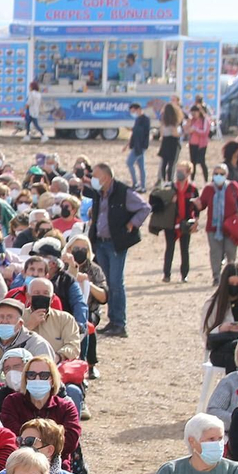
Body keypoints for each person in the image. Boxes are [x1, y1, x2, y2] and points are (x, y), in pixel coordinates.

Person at [82, 162, 150, 337]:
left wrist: (131, 224)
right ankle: (112, 321)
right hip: (100, 242)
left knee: (116, 283)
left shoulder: (123, 191)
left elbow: (144, 208)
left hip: (115, 243)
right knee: (107, 283)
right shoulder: (99, 193)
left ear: (105, 177)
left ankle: (119, 323)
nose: (93, 179)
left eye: (95, 176)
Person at [198, 163, 238, 284]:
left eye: (221, 174)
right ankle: (216, 277)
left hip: (230, 226)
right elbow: (202, 205)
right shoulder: (209, 189)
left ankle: (230, 277)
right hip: (213, 227)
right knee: (215, 253)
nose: (218, 176)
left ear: (227, 175)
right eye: (216, 174)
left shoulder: (233, 186)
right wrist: (196, 204)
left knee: (231, 252)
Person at [154, 160, 200, 283]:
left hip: (186, 222)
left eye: (182, 170)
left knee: (184, 249)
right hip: (171, 223)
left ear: (189, 172)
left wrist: (196, 221)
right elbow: (159, 202)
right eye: (178, 170)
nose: (179, 173)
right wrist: (169, 200)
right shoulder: (170, 187)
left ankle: (184, 274)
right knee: (169, 248)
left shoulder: (193, 189)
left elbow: (197, 207)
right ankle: (166, 274)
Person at [156, 100, 184, 186]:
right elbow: (175, 134)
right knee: (172, 163)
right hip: (173, 143)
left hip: (165, 141)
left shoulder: (163, 122)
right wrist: (182, 133)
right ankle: (170, 180)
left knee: (164, 163)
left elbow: (161, 133)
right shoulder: (174, 123)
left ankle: (163, 180)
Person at [124, 102, 151, 191]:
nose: (133, 113)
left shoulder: (145, 120)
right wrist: (128, 144)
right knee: (141, 166)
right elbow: (134, 134)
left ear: (138, 109)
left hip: (140, 146)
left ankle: (136, 183)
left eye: (133, 111)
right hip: (137, 145)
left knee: (129, 162)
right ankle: (142, 186)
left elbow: (143, 134)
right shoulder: (138, 119)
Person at [187, 101, 213, 181]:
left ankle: (206, 180)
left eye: (195, 112)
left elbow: (205, 132)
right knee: (193, 162)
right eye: (192, 112)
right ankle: (192, 180)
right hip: (192, 143)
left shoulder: (205, 120)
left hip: (201, 144)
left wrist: (195, 130)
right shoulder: (192, 120)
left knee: (202, 162)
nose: (194, 114)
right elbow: (187, 130)